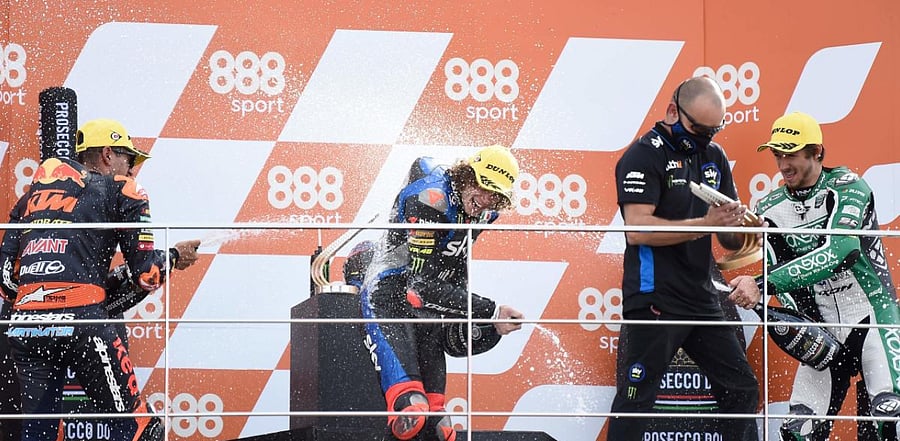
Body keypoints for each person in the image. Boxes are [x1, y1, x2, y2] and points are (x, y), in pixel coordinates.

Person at [0, 118, 196, 441]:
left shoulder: (29, 199)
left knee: (39, 434)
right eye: (129, 161)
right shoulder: (120, 189)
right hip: (83, 327)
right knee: (140, 430)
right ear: (107, 154)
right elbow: (147, 275)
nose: (132, 171)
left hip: (26, 328)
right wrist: (173, 257)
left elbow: (6, 284)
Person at [729, 112, 900, 440]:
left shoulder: (848, 186)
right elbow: (781, 274)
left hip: (872, 315)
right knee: (798, 432)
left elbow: (841, 252)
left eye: (790, 154)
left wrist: (761, 285)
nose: (782, 164)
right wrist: (805, 326)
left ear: (816, 152)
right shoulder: (769, 208)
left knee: (887, 421)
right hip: (824, 329)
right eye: (777, 155)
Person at [608, 76, 761, 440]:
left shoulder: (714, 155)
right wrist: (705, 224)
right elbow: (637, 230)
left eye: (713, 131)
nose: (704, 139)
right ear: (672, 111)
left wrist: (744, 227)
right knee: (636, 397)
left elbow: (726, 236)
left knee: (742, 389)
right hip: (655, 298)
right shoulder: (643, 154)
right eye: (698, 130)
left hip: (701, 297)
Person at [359, 145, 525, 441]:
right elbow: (418, 287)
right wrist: (490, 310)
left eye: (496, 195)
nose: (487, 200)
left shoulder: (486, 212)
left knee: (438, 422)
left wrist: (486, 323)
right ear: (467, 174)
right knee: (411, 405)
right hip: (389, 290)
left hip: (429, 302)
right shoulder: (430, 199)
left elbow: (454, 267)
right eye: (484, 188)